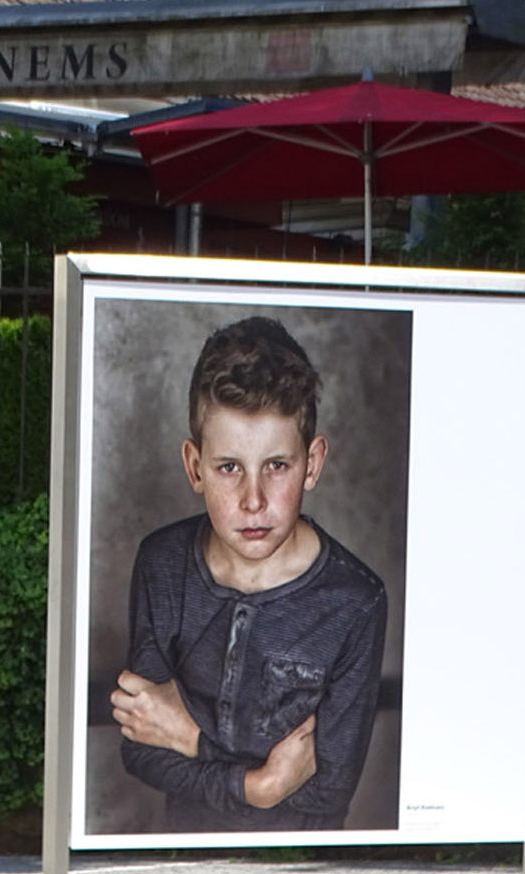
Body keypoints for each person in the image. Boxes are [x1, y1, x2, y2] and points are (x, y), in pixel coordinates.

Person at [108, 314, 387, 831]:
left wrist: (191, 739)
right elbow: (141, 749)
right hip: (183, 859)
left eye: (277, 466)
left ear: (313, 462)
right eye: (229, 467)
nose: (253, 500)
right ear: (195, 467)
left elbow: (330, 787)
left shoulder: (355, 600)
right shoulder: (163, 564)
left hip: (306, 869)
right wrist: (259, 785)